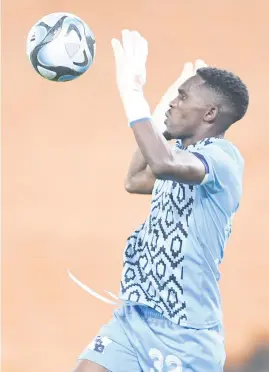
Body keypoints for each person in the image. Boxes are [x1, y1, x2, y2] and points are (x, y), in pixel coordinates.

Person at [73, 30, 249, 372]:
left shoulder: (223, 161)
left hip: (186, 340)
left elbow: (162, 164)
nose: (174, 101)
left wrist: (132, 95)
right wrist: (160, 123)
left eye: (182, 97)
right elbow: (135, 178)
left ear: (210, 113)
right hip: (136, 318)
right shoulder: (182, 152)